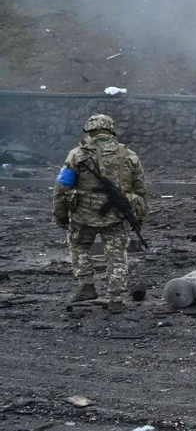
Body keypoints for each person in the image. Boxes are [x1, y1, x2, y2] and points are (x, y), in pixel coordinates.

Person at [52, 114, 147, 312]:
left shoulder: (77, 155)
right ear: (111, 130)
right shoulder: (129, 155)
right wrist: (139, 217)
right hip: (117, 215)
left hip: (83, 215)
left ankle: (86, 285)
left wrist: (61, 214)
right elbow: (140, 190)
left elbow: (62, 187)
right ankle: (116, 298)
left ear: (89, 131)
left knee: (78, 245)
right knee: (117, 254)